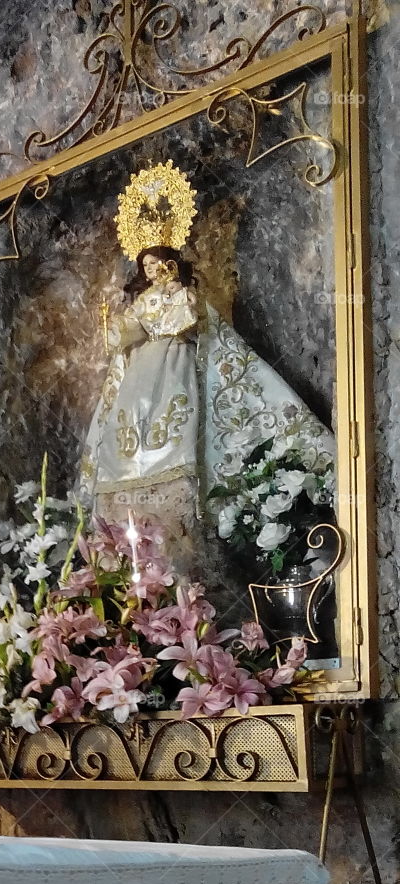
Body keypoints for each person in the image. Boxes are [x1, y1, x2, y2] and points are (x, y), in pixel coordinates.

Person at [78, 162, 335, 582]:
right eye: (146, 268)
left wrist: (175, 303)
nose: (152, 273)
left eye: (157, 265)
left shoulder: (183, 295)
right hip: (142, 373)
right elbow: (126, 333)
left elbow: (190, 321)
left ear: (170, 263)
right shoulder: (142, 304)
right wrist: (117, 326)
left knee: (179, 428)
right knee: (130, 435)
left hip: (175, 363)